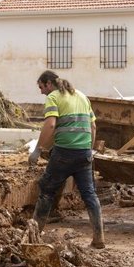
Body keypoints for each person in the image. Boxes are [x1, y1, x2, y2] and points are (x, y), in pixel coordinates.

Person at [28, 70, 105, 249]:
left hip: (64, 153)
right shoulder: (82, 96)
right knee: (89, 194)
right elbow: (93, 126)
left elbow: (51, 124)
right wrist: (89, 150)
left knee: (47, 190)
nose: (41, 92)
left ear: (48, 84)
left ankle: (34, 235)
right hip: (84, 153)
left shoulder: (54, 97)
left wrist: (38, 150)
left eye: (41, 87)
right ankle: (99, 237)